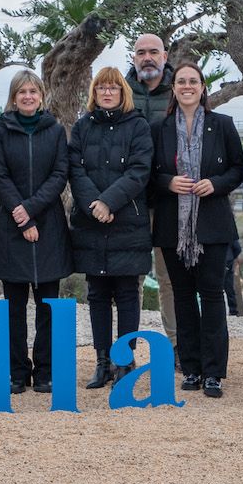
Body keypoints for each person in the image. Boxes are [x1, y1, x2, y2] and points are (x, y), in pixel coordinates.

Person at [150, 63, 243, 398]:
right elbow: (147, 175)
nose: (187, 86)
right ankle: (190, 368)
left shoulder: (223, 125)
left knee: (212, 295)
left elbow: (238, 169)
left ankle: (214, 371)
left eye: (193, 81)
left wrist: (216, 184)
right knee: (183, 296)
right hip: (171, 226)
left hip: (212, 226)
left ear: (203, 87)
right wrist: (168, 182)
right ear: (173, 88)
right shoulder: (158, 128)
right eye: (181, 82)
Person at [0, 69, 73, 394]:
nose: (27, 97)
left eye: (33, 92)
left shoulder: (55, 130)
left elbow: (60, 173)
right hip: (10, 226)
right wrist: (21, 217)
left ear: (41, 96)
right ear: (13, 96)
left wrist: (32, 210)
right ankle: (16, 372)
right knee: (14, 309)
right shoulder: (0, 130)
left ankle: (46, 372)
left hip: (49, 227)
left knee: (48, 308)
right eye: (21, 92)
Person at [68, 67, 152, 389]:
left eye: (112, 88)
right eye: (101, 87)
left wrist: (109, 203)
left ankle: (124, 361)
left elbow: (139, 171)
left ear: (122, 92)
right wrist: (95, 206)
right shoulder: (82, 127)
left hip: (126, 222)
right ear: (94, 92)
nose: (106, 92)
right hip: (91, 223)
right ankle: (102, 362)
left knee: (128, 293)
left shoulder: (138, 127)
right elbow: (75, 170)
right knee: (97, 294)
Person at [124, 34, 178, 357]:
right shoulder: (121, 91)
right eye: (141, 52)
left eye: (153, 52)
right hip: (130, 201)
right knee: (130, 280)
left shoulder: (179, 91)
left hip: (169, 200)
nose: (147, 57)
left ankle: (176, 346)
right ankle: (123, 353)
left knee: (169, 279)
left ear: (164, 55)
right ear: (134, 58)